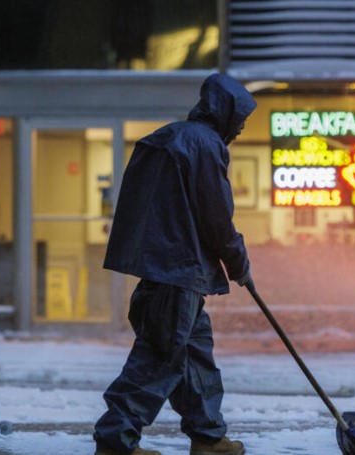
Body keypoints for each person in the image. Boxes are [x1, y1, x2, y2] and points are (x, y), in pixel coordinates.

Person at [93, 73, 256, 455]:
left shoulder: (168, 137)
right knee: (159, 357)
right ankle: (116, 441)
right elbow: (215, 215)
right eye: (241, 117)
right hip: (178, 270)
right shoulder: (204, 144)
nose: (243, 126)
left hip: (162, 268)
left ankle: (208, 437)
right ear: (225, 112)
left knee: (194, 356)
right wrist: (238, 263)